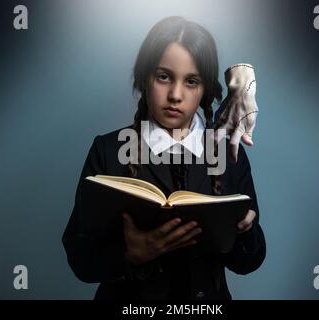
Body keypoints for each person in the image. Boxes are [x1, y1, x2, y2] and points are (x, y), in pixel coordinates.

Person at [62, 16, 266, 300]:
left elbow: (250, 261)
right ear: (145, 78)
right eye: (164, 76)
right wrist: (130, 255)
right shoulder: (108, 150)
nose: (175, 95)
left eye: (191, 81)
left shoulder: (229, 151)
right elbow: (79, 257)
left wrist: (246, 231)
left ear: (206, 89)